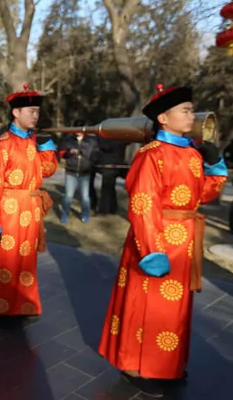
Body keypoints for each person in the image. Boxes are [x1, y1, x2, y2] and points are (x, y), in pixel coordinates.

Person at [98, 84, 228, 398]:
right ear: (163, 118)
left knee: (175, 310)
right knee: (146, 307)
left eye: (191, 109)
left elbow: (203, 195)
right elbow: (143, 205)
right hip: (155, 240)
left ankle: (166, 364)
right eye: (185, 110)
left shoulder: (191, 153)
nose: (192, 115)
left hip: (183, 243)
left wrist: (214, 165)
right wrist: (152, 251)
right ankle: (136, 366)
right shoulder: (150, 156)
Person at [0, 85, 58, 319]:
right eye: (31, 111)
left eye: (37, 111)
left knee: (26, 262)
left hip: (31, 212)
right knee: (6, 263)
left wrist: (47, 148)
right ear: (16, 113)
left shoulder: (36, 141)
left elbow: (48, 171)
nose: (35, 115)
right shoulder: (1, 145)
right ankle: (3, 309)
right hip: (9, 212)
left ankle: (24, 305)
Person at [59, 132, 99, 223]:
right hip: (70, 172)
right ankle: (65, 214)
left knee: (85, 197)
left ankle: (85, 215)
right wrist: (69, 153)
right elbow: (62, 153)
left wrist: (90, 164)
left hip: (85, 173)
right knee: (68, 195)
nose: (78, 132)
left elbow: (95, 155)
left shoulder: (91, 141)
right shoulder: (68, 139)